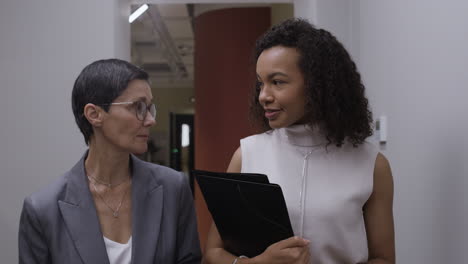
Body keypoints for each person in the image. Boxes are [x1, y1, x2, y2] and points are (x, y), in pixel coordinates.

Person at [203, 19, 395, 264]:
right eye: (261, 83)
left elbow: (384, 258)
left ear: (318, 85)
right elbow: (212, 254)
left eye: (278, 82)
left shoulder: (372, 165)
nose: (263, 96)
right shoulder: (247, 154)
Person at [18, 59, 201, 264]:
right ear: (94, 114)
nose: (150, 120)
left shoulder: (173, 189)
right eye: (138, 107)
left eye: (150, 108)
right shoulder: (43, 210)